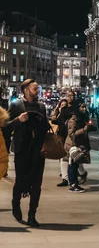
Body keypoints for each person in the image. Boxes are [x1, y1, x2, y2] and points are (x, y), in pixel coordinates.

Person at [8, 79, 50, 227]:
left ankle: (32, 214)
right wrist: (18, 120)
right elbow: (6, 126)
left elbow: (46, 127)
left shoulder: (41, 106)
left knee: (37, 183)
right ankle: (16, 204)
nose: (37, 92)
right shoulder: (16, 105)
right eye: (34, 89)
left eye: (37, 89)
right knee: (20, 181)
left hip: (38, 150)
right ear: (26, 90)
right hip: (22, 149)